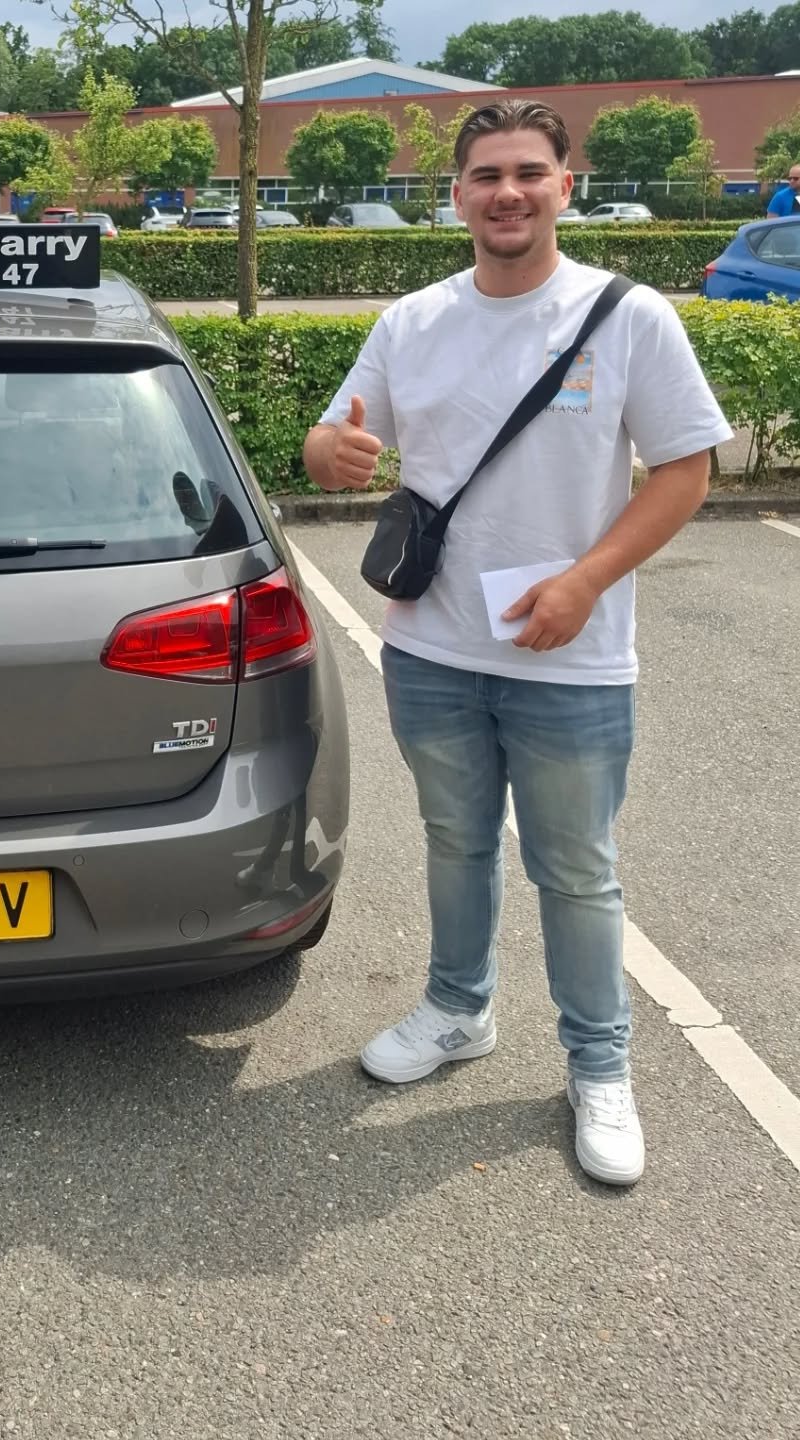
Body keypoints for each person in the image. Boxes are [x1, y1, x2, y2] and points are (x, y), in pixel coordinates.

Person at [302, 98, 731, 1187]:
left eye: (530, 173)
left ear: (564, 187)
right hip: (432, 649)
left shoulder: (628, 318)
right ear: (456, 195)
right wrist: (325, 452)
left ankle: (600, 1065)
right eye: (487, 175)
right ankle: (459, 1008)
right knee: (456, 843)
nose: (509, 193)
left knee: (577, 871)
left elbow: (687, 471)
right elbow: (335, 435)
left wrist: (586, 581)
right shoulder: (413, 322)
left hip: (571, 658)